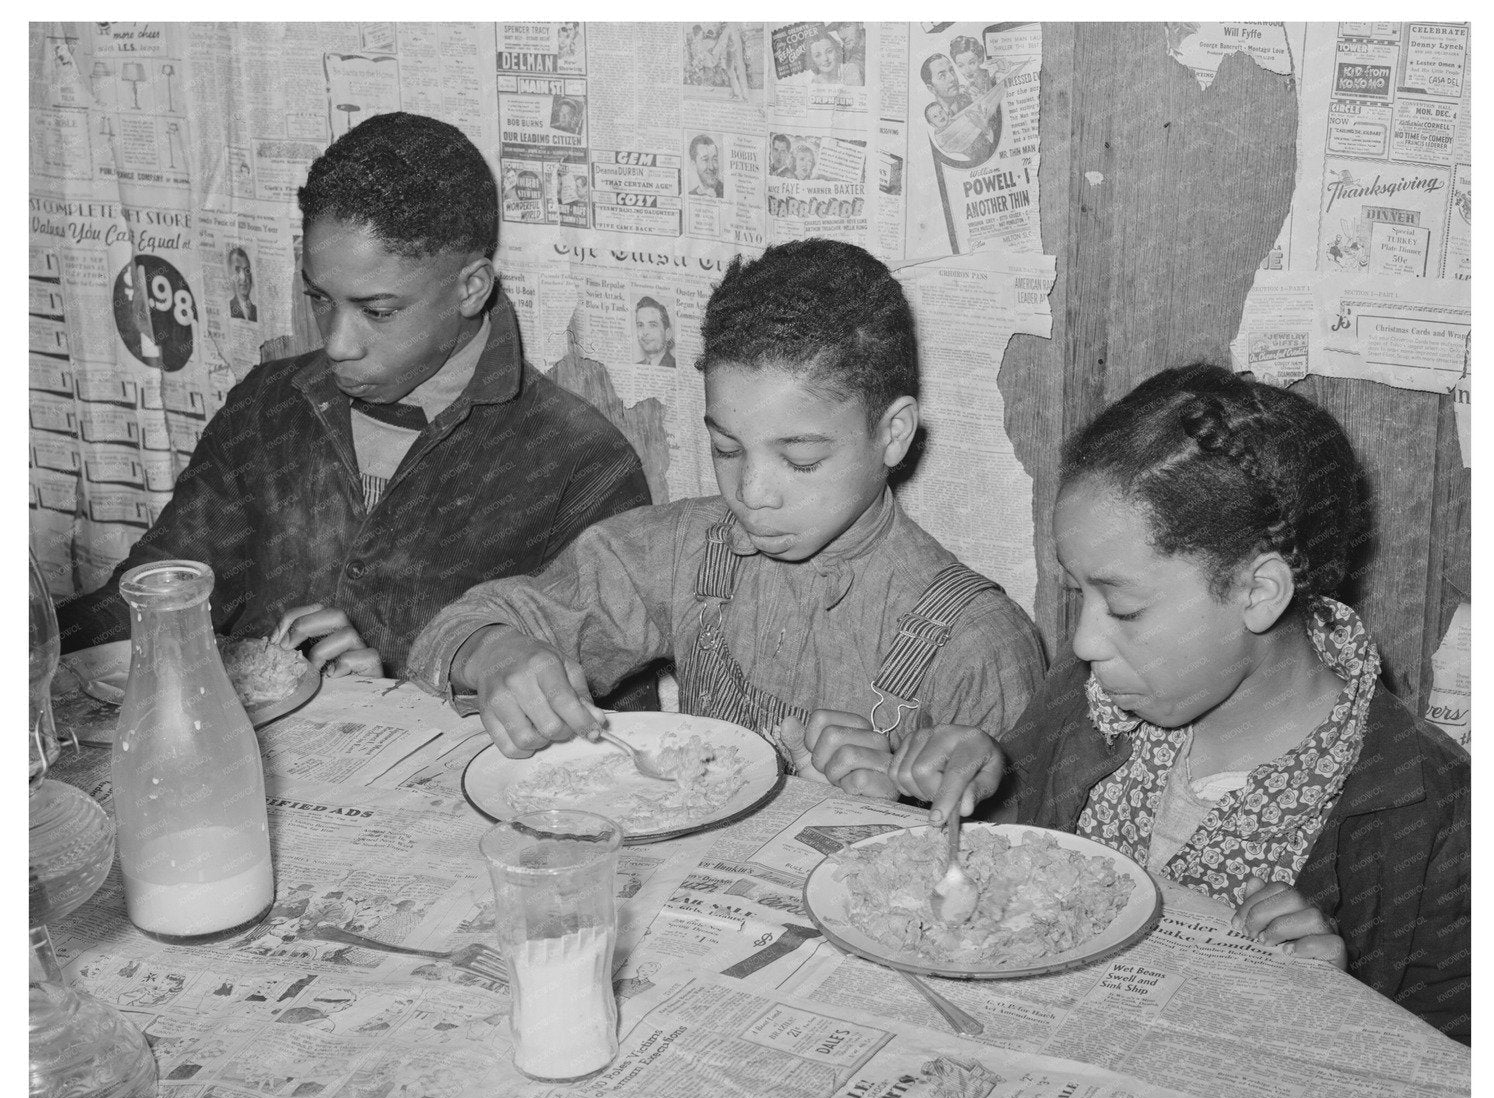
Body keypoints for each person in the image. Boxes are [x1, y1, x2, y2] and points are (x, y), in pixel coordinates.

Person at [884, 364, 1470, 1044]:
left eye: (1124, 606)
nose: (1083, 639)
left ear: (1257, 593)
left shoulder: (1432, 811)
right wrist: (985, 775)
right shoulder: (1090, 696)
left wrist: (1340, 1012)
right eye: (1079, 594)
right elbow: (1012, 870)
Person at [407, 238, 1045, 798]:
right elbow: (463, 625)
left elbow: (1013, 873)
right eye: (727, 449)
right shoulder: (686, 550)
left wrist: (896, 812)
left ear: (893, 434)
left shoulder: (977, 644)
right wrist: (491, 652)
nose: (753, 493)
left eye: (800, 459)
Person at [57, 112, 650, 678]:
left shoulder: (577, 464)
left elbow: (607, 726)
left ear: (470, 289)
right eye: (320, 298)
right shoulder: (270, 407)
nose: (336, 344)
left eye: (379, 311)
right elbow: (155, 598)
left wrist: (403, 690)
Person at [634, 296, 675, 367]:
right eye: (640, 325)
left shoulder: (674, 365)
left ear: (667, 334)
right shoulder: (636, 366)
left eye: (652, 325)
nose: (645, 332)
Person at [227, 245, 258, 322]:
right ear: (230, 275)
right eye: (237, 270)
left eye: (247, 270)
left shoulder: (258, 311)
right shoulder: (227, 309)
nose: (243, 278)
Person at [688, 134, 723, 198]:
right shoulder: (690, 195)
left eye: (714, 159)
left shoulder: (727, 191)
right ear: (694, 165)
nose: (711, 167)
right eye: (705, 160)